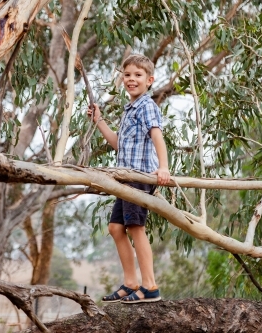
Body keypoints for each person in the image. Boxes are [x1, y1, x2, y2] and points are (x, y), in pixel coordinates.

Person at [87, 54, 170, 304]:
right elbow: (117, 144)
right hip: (124, 178)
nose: (131, 79)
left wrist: (163, 168)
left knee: (135, 227)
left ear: (149, 80)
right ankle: (131, 282)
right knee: (115, 228)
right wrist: (98, 120)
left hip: (139, 177)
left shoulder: (146, 106)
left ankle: (150, 286)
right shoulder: (129, 109)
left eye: (137, 75)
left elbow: (158, 137)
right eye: (127, 75)